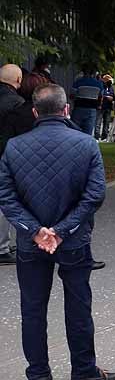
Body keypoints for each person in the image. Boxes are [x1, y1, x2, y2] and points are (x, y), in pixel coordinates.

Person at [0, 84, 115, 380]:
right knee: (78, 304)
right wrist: (63, 230)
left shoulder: (14, 147)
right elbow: (94, 195)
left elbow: (7, 197)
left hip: (31, 242)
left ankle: (38, 374)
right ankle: (83, 370)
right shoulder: (85, 144)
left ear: (35, 112)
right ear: (66, 110)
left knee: (33, 308)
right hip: (74, 240)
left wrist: (35, 230)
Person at [0, 64, 34, 266]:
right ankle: (2, 248)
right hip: (4, 156)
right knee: (4, 203)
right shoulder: (16, 102)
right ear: (19, 80)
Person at [69, 66, 103, 137]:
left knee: (75, 131)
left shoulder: (78, 82)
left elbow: (72, 96)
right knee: (88, 133)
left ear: (83, 72)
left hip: (79, 108)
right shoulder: (98, 84)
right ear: (93, 73)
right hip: (92, 109)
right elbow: (100, 97)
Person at [96, 74, 115, 141]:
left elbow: (113, 97)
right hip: (101, 107)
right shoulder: (101, 87)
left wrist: (111, 98)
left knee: (106, 123)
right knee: (98, 122)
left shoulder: (111, 88)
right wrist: (106, 96)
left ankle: (104, 137)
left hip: (108, 107)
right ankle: (96, 137)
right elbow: (99, 95)